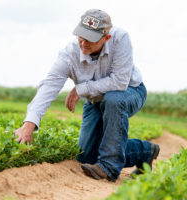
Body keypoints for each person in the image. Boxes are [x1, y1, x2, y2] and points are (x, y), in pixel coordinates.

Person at [14, 9, 160, 181]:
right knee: (86, 155)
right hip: (95, 101)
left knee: (113, 99)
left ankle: (109, 167)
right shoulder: (69, 55)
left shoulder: (120, 38)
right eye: (81, 36)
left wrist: (80, 89)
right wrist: (29, 125)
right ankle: (145, 152)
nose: (83, 43)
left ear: (106, 38)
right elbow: (48, 88)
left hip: (129, 93)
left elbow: (120, 82)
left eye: (91, 39)